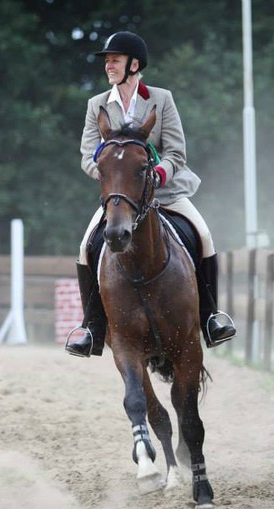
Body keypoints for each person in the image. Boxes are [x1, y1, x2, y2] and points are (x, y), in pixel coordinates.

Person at [66, 31, 236, 357]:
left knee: (204, 235)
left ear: (134, 64)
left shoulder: (161, 99)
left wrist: (158, 173)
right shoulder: (96, 105)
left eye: (114, 59)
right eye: (107, 60)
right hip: (122, 197)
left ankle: (211, 316)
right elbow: (89, 156)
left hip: (165, 191)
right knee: (86, 247)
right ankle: (91, 328)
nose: (109, 65)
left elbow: (177, 153)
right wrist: (110, 176)